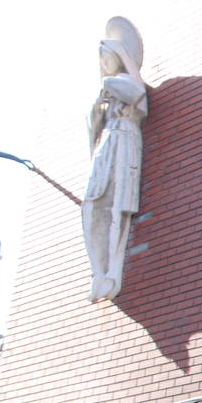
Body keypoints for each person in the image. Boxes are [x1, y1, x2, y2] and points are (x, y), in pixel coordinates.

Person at [82, 16, 147, 302]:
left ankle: (111, 270)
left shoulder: (121, 82)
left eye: (109, 55)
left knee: (117, 204)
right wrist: (97, 109)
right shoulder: (107, 87)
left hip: (124, 140)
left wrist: (111, 83)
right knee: (92, 204)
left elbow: (137, 94)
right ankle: (98, 269)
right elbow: (92, 128)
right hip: (105, 145)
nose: (104, 62)